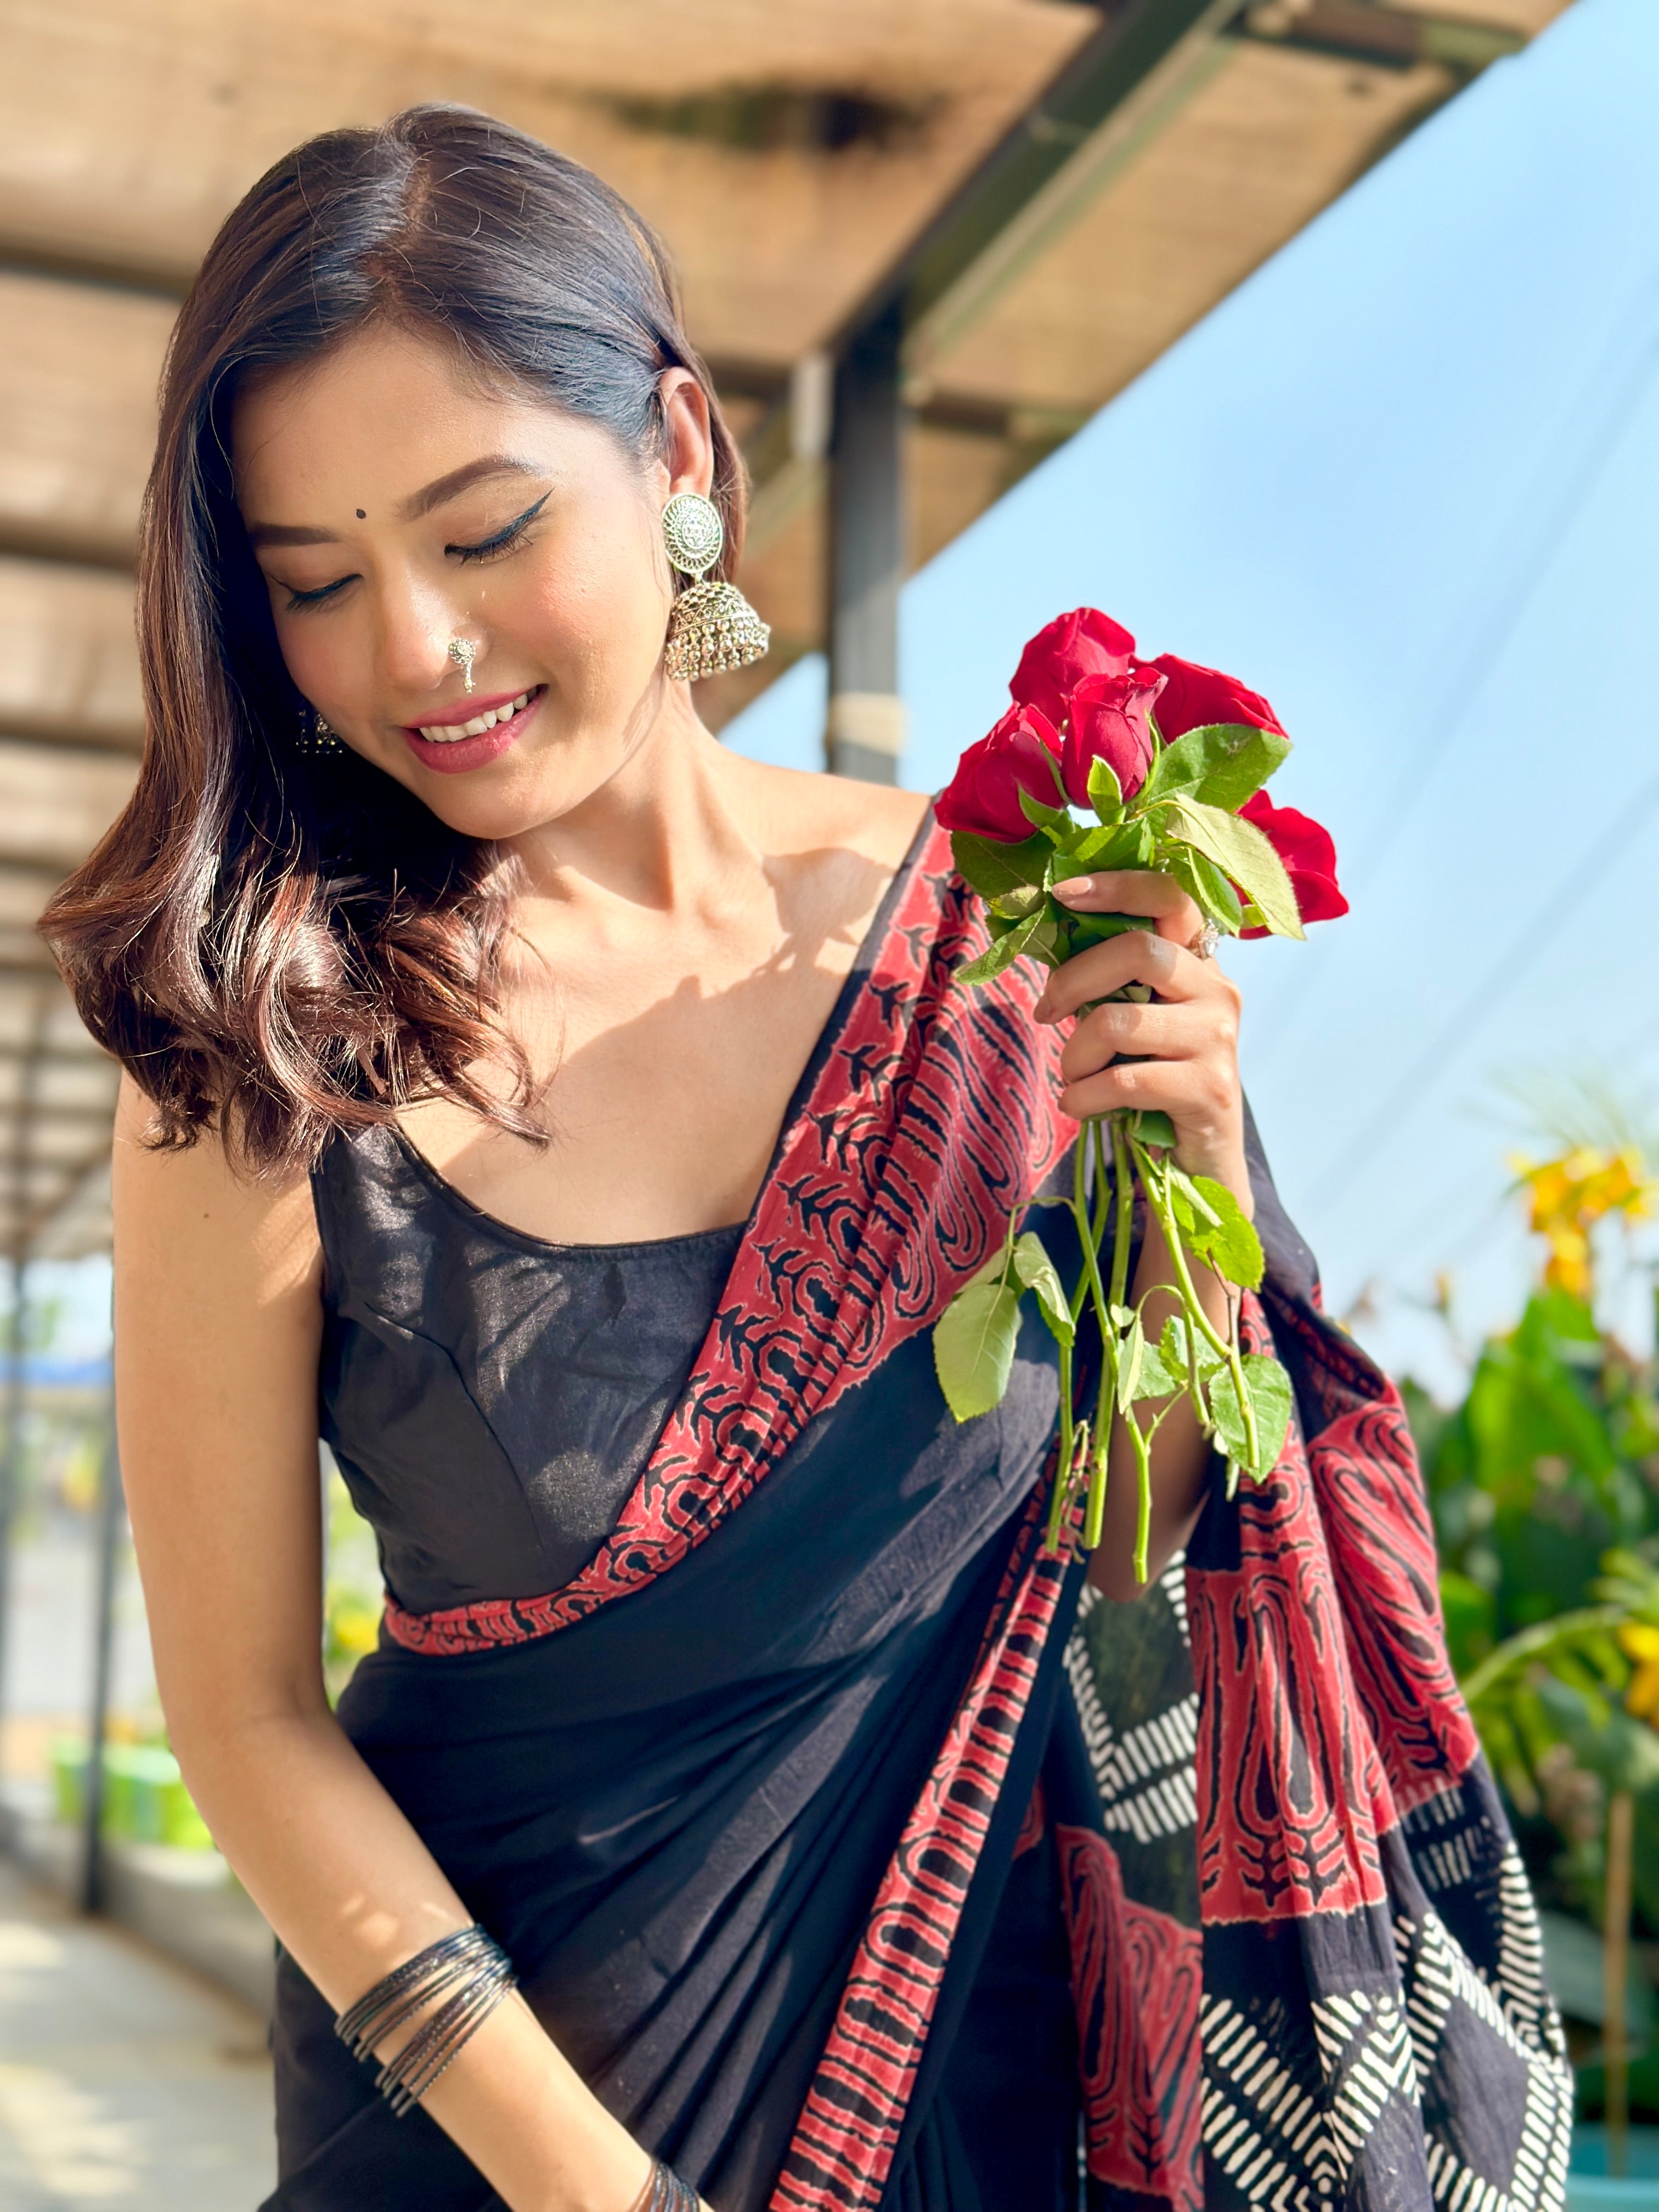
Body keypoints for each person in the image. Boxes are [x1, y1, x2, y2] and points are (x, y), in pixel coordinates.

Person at [44, 107, 1569, 2212]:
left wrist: (1196, 1170)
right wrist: (595, 2193)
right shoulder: (266, 1038)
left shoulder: (1003, 923)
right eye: (316, 584)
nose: (416, 651)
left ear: (677, 453)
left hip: (1005, 2087)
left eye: (484, 534)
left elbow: (1126, 1554)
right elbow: (245, 1721)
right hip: (491, 2136)